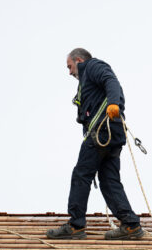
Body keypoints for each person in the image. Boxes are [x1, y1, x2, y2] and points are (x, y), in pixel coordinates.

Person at [46, 48, 143, 240]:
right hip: (112, 132)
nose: (69, 72)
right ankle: (131, 225)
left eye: (70, 66)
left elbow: (111, 81)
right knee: (109, 180)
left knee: (82, 174)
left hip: (102, 131)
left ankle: (75, 225)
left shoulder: (92, 66)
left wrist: (114, 103)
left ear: (79, 60)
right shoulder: (87, 80)